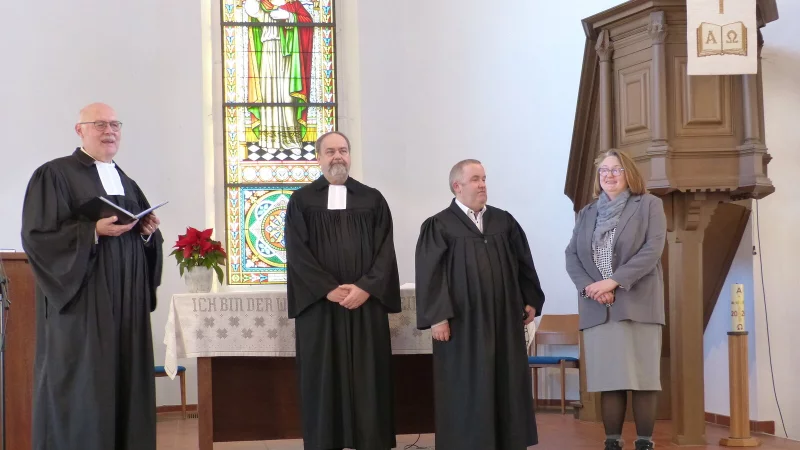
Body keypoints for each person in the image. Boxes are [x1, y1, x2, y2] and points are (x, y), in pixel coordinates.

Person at [20, 102, 164, 450]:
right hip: (84, 301)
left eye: (115, 124)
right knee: (87, 383)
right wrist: (92, 231)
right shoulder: (54, 174)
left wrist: (147, 233)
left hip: (127, 304)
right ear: (80, 130)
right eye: (99, 124)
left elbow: (142, 237)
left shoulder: (126, 181)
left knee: (125, 380)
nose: (109, 131)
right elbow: (38, 236)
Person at [414, 159, 545, 450]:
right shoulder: (439, 225)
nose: (483, 184)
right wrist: (438, 317)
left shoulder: (504, 221)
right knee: (467, 385)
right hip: (462, 325)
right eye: (475, 179)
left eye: (484, 178)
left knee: (506, 383)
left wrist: (531, 300)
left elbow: (524, 263)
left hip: (504, 321)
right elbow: (430, 273)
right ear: (457, 186)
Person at [284, 131, 401, 450]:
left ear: (350, 156)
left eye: (344, 150)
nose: (338, 156)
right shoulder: (302, 201)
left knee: (368, 376)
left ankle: (371, 441)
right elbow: (297, 252)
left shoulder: (372, 199)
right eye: (331, 151)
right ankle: (325, 441)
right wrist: (326, 289)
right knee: (323, 377)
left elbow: (385, 250)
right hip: (320, 306)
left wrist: (366, 287)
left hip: (365, 304)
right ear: (318, 157)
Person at [564, 149, 666, 450]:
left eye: (616, 170)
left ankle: (644, 443)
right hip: (598, 307)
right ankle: (612, 443)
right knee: (610, 379)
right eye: (604, 170)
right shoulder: (587, 212)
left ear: (629, 174)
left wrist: (613, 281)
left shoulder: (648, 205)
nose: (609, 175)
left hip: (638, 303)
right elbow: (572, 255)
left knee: (643, 378)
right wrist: (591, 288)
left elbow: (653, 249)